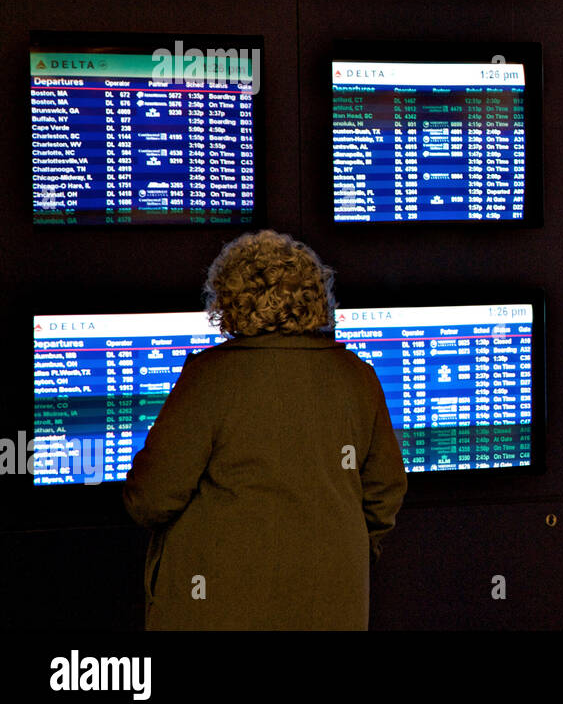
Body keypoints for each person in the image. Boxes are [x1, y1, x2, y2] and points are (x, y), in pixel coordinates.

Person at [122, 230, 407, 630]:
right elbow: (384, 495)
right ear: (315, 297)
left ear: (229, 297)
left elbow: (151, 498)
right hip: (332, 606)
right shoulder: (357, 377)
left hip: (219, 608)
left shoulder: (210, 377)